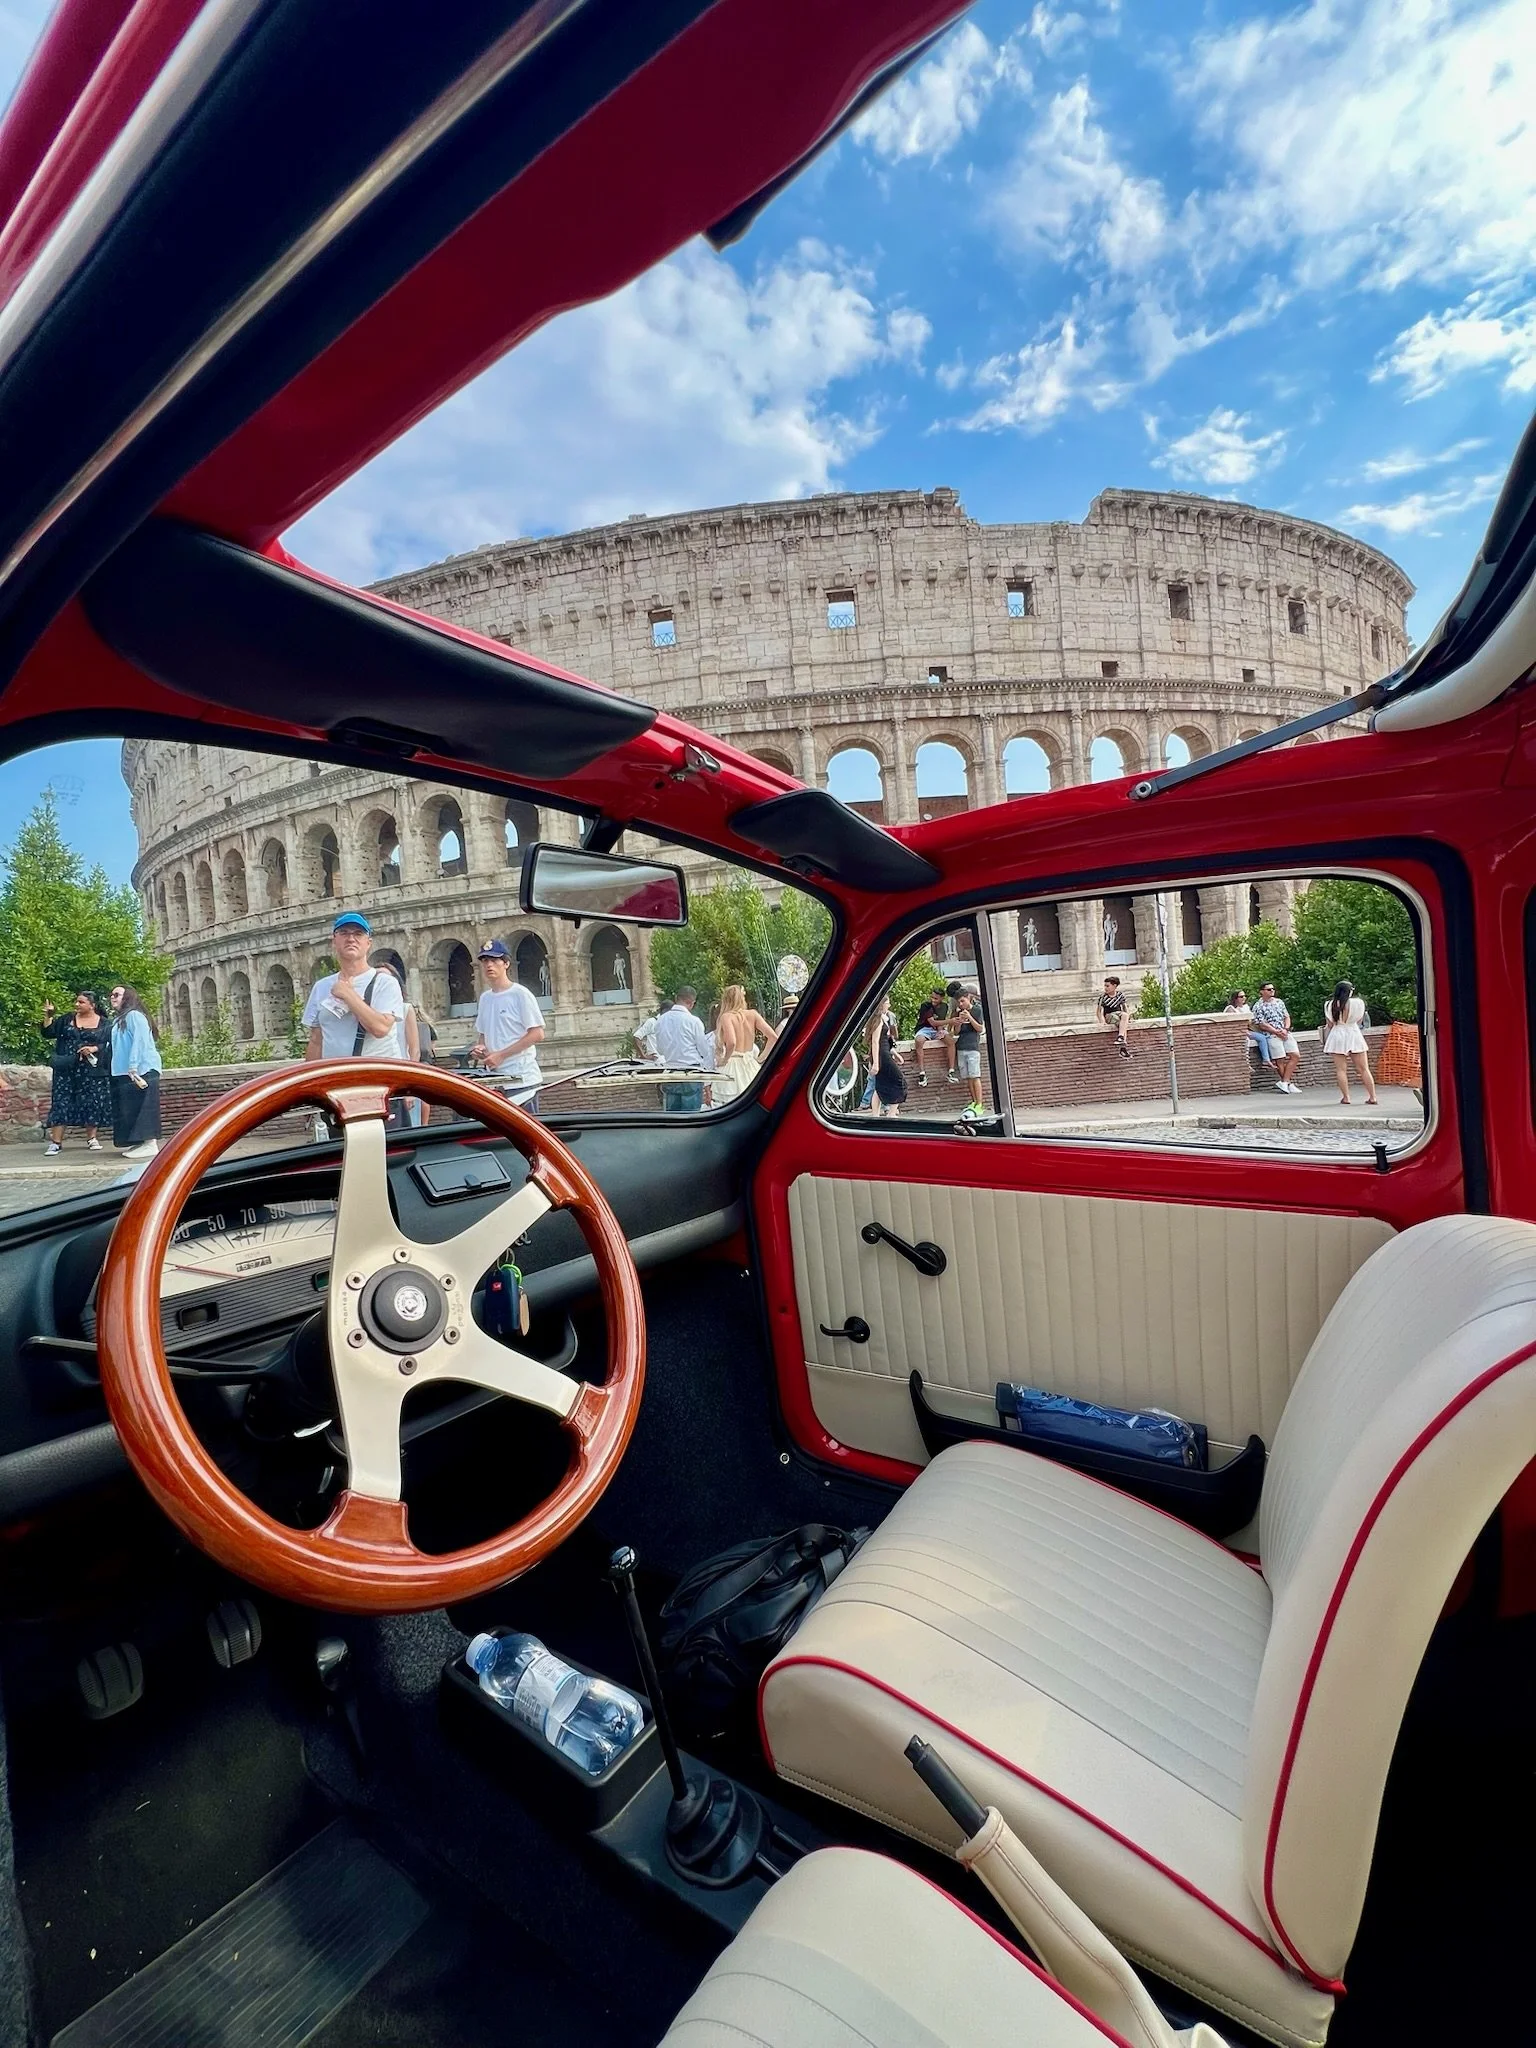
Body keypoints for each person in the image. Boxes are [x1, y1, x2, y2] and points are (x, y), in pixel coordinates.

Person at [470, 939, 545, 1111]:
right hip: (495, 1080)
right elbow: (483, 1035)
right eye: (485, 961)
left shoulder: (520, 994)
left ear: (506, 964)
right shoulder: (485, 998)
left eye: (494, 960)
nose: (489, 965)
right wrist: (481, 1049)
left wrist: (501, 1055)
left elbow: (537, 1033)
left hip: (522, 1079)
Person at [40, 990, 112, 1153]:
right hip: (66, 1068)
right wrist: (48, 1016)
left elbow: (110, 1045)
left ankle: (92, 1138)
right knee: (61, 1102)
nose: (77, 1005)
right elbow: (48, 1033)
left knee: (92, 1102)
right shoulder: (66, 1020)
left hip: (91, 1070)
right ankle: (56, 1142)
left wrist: (94, 1048)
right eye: (77, 1002)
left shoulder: (105, 1024)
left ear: (92, 1005)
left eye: (81, 1002)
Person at [109, 985, 162, 1158]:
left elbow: (139, 1042)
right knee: (131, 1108)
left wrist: (133, 1066)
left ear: (127, 997)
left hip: (142, 1070)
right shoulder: (119, 1020)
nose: (112, 997)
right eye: (111, 995)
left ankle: (150, 1143)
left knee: (144, 1107)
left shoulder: (134, 1016)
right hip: (128, 1071)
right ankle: (140, 1142)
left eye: (117, 994)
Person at [711, 984, 778, 1105]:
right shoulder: (753, 1014)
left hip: (732, 1064)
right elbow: (773, 1037)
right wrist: (760, 1058)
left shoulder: (727, 1017)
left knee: (727, 1103)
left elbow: (731, 1042)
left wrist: (724, 1060)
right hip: (750, 1064)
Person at [654, 987, 712, 1111]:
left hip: (671, 1072)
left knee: (673, 1119)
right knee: (691, 1118)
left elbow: (660, 1050)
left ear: (676, 998)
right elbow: (704, 1051)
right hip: (691, 1073)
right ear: (692, 1003)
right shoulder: (694, 1021)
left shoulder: (660, 1021)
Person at [1324, 979, 1379, 1106]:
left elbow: (1330, 1024)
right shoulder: (1358, 1003)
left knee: (1341, 1069)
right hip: (1353, 1032)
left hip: (1337, 1033)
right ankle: (1372, 1096)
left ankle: (1346, 1097)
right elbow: (1360, 1021)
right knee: (1364, 1068)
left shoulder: (1329, 1004)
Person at [1251, 982, 1302, 1093]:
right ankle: (1287, 1083)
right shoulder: (1258, 1006)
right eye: (1269, 989)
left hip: (1285, 1033)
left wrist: (1285, 1029)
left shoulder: (1279, 1002)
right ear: (1262, 991)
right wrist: (1276, 1031)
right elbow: (1261, 1023)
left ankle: (1285, 1081)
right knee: (1280, 1059)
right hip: (1271, 1035)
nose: (1272, 991)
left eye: (1273, 989)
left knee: (1295, 1055)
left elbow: (1286, 1016)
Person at [949, 986, 987, 1116]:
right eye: (959, 1002)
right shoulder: (959, 1012)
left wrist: (969, 1017)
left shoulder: (977, 1010)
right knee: (968, 1078)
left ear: (968, 999)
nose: (961, 1004)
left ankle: (980, 1104)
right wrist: (958, 1022)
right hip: (961, 1047)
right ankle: (973, 1102)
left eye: (962, 1001)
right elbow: (956, 1032)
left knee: (975, 1076)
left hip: (972, 1048)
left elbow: (980, 1029)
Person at [868, 996, 906, 1117]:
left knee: (880, 1083)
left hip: (884, 1052)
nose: (889, 1006)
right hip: (882, 1055)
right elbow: (875, 1042)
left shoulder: (884, 1019)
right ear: (882, 1004)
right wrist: (875, 1063)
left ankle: (875, 1114)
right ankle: (892, 1112)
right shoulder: (878, 1020)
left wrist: (895, 1053)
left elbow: (886, 1040)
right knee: (899, 1079)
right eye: (887, 1003)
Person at [911, 987, 950, 1088]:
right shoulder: (926, 1006)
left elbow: (940, 1020)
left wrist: (940, 1031)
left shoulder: (944, 1006)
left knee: (950, 1041)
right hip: (925, 1028)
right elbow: (932, 1022)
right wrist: (951, 1021)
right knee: (919, 1041)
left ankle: (951, 1071)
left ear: (942, 998)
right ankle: (922, 1072)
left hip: (937, 1028)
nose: (933, 1000)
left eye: (936, 998)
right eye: (932, 997)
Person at [1096, 975, 1132, 1057]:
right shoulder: (1103, 997)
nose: (1106, 988)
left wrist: (1129, 1018)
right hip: (1109, 1016)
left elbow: (1125, 1008)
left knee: (1124, 1019)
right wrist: (1102, 1021)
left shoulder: (1120, 995)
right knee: (1122, 1022)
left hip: (1119, 1015)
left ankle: (1121, 1040)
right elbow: (1099, 1011)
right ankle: (1122, 1046)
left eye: (1107, 986)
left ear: (1114, 986)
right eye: (1105, 986)